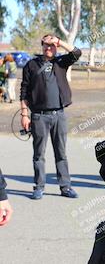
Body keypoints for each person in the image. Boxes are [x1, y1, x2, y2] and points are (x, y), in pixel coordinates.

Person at [20, 34, 81, 200]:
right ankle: (39, 187)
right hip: (39, 117)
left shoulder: (61, 62)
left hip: (59, 115)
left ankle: (65, 187)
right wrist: (24, 114)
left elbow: (77, 53)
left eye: (52, 45)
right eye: (46, 45)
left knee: (61, 153)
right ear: (42, 46)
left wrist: (60, 42)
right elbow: (24, 91)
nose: (49, 48)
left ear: (56, 47)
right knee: (38, 154)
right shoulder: (31, 65)